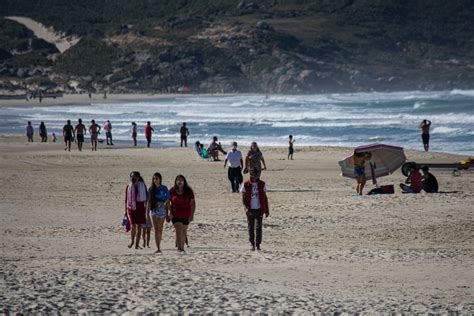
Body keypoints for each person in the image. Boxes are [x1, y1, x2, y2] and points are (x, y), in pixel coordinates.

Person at [241, 168, 269, 251]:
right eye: (254, 173)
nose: (256, 175)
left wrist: (267, 210)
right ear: (251, 174)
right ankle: (252, 244)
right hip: (250, 209)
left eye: (257, 173)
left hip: (259, 209)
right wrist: (246, 208)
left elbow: (265, 198)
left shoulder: (262, 184)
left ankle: (258, 245)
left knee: (258, 227)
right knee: (251, 227)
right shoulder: (246, 184)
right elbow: (243, 198)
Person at [169, 175, 195, 252]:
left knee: (184, 230)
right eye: (178, 180)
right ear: (175, 181)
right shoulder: (172, 190)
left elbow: (193, 203)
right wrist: (169, 212)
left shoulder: (188, 190)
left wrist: (192, 214)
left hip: (186, 213)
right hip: (175, 213)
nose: (179, 182)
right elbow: (167, 202)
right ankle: (179, 248)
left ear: (184, 182)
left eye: (181, 180)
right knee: (178, 229)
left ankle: (182, 247)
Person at [147, 172, 170, 253]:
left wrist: (168, 212)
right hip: (153, 210)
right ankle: (158, 248)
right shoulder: (151, 189)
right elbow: (148, 202)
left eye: (156, 178)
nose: (155, 180)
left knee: (160, 229)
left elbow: (167, 200)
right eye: (154, 179)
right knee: (156, 229)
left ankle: (159, 245)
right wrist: (146, 214)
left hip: (162, 210)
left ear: (160, 179)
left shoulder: (164, 188)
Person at [124, 171, 148, 249]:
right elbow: (126, 200)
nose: (132, 178)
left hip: (140, 207)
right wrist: (125, 211)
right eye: (131, 177)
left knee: (139, 226)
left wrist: (146, 209)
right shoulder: (129, 186)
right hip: (131, 208)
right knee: (133, 225)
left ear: (138, 177)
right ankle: (132, 242)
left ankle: (137, 244)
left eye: (134, 177)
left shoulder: (142, 185)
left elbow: (146, 198)